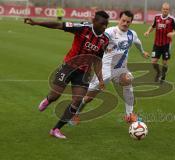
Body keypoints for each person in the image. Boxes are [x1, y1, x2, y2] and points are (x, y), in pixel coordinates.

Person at [24, 11, 110, 139]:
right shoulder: (82, 29)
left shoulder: (105, 40)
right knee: (55, 95)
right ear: (94, 21)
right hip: (68, 67)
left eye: (106, 24)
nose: (104, 27)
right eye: (102, 24)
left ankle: (56, 129)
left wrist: (100, 79)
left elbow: (97, 60)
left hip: (84, 73)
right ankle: (48, 99)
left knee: (77, 101)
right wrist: (36, 23)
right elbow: (58, 25)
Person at [70, 10, 149, 125]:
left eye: (128, 21)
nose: (125, 23)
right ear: (119, 19)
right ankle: (75, 113)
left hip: (120, 69)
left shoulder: (132, 34)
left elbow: (138, 42)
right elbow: (97, 39)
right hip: (104, 69)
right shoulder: (109, 32)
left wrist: (142, 52)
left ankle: (129, 115)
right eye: (123, 20)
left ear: (131, 22)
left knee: (128, 80)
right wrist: (104, 48)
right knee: (89, 97)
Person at [144, 2, 175, 82]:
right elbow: (153, 26)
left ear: (169, 10)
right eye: (164, 9)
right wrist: (148, 32)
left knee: (164, 62)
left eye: (167, 9)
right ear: (161, 9)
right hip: (156, 44)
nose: (165, 10)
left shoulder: (171, 19)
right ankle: (158, 73)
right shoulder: (156, 17)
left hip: (166, 44)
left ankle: (163, 75)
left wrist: (173, 33)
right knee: (153, 62)